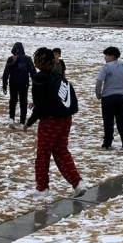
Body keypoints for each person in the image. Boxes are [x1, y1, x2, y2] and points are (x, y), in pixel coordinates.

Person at [24, 47, 86, 200]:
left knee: (43, 155)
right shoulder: (59, 76)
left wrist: (29, 122)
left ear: (38, 62)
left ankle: (42, 188)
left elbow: (40, 106)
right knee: (61, 151)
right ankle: (77, 183)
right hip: (66, 119)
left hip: (50, 121)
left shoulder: (39, 79)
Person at [95, 46, 123, 151]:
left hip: (108, 98)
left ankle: (107, 143)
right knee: (121, 121)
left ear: (112, 56)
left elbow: (99, 81)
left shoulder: (106, 67)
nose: (105, 57)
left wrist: (98, 93)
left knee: (108, 121)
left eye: (106, 55)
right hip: (122, 97)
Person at [2, 42, 37, 127]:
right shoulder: (27, 59)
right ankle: (21, 121)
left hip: (14, 83)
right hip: (23, 83)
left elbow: (6, 73)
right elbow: (33, 73)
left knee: (13, 101)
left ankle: (12, 119)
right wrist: (36, 84)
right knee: (23, 102)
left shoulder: (11, 59)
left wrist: (4, 85)